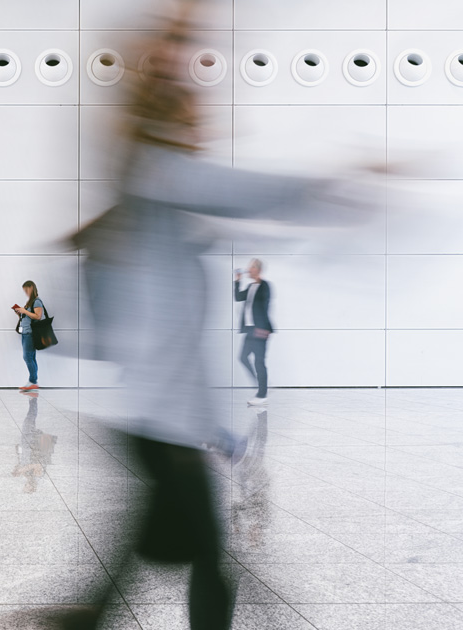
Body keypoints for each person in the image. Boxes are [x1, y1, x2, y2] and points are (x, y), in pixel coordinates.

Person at [55, 13, 373, 630]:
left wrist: (212, 429)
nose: (206, 125)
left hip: (160, 417)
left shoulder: (157, 208)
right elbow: (241, 190)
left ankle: (81, 619)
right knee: (204, 557)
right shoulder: (153, 174)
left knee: (140, 556)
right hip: (155, 418)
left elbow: (184, 322)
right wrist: (336, 180)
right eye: (193, 117)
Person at [235, 259, 273, 406]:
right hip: (250, 330)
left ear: (258, 269)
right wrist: (238, 281)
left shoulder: (265, 286)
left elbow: (265, 307)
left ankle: (262, 394)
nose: (248, 270)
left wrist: (263, 328)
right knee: (243, 357)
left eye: (250, 268)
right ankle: (261, 384)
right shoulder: (250, 286)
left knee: (259, 362)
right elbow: (238, 297)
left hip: (260, 330)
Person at [14, 280, 45, 391]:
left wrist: (24, 311)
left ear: (32, 288)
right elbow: (28, 317)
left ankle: (32, 381)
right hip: (26, 332)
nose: (26, 293)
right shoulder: (30, 302)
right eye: (24, 291)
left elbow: (38, 316)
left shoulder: (37, 301)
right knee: (31, 357)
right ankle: (33, 382)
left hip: (31, 334)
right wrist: (20, 314)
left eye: (27, 290)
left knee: (27, 357)